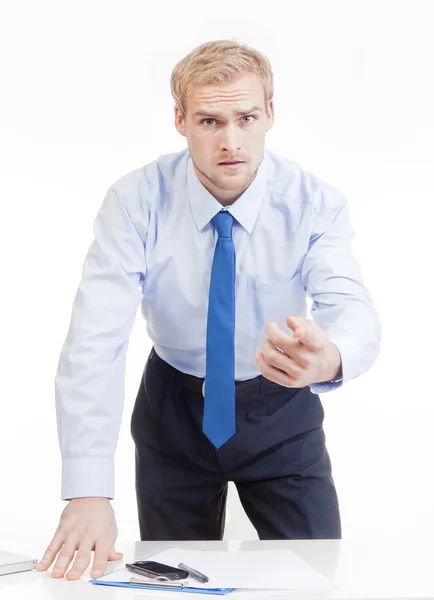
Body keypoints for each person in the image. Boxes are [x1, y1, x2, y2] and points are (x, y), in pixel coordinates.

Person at [36, 39, 381, 581]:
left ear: (270, 113)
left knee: (317, 579)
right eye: (209, 121)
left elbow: (352, 305)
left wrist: (330, 357)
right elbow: (94, 341)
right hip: (174, 410)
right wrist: (87, 491)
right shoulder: (135, 202)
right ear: (180, 120)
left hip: (281, 409)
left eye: (245, 117)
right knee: (170, 583)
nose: (231, 141)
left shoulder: (313, 202)